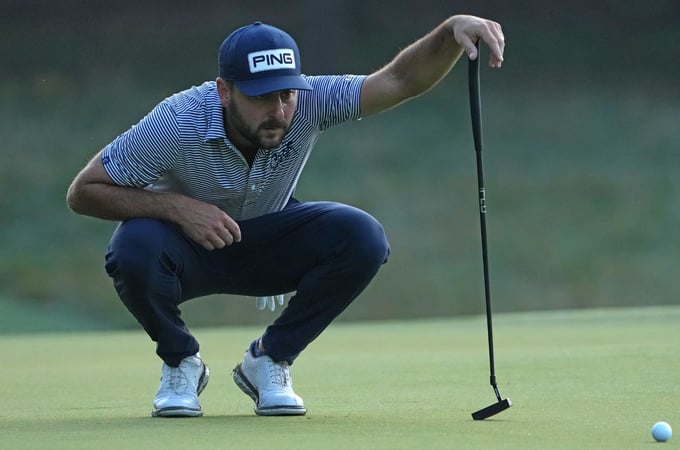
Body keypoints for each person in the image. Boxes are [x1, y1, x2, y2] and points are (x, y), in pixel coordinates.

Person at [66, 14, 504, 418]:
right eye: (260, 97)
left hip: (267, 243)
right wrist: (178, 208)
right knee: (133, 246)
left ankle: (269, 360)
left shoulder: (310, 101)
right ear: (224, 90)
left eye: (285, 94)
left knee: (362, 236)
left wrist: (449, 31)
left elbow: (401, 79)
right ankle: (181, 362)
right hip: (183, 252)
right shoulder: (179, 121)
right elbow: (84, 191)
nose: (277, 111)